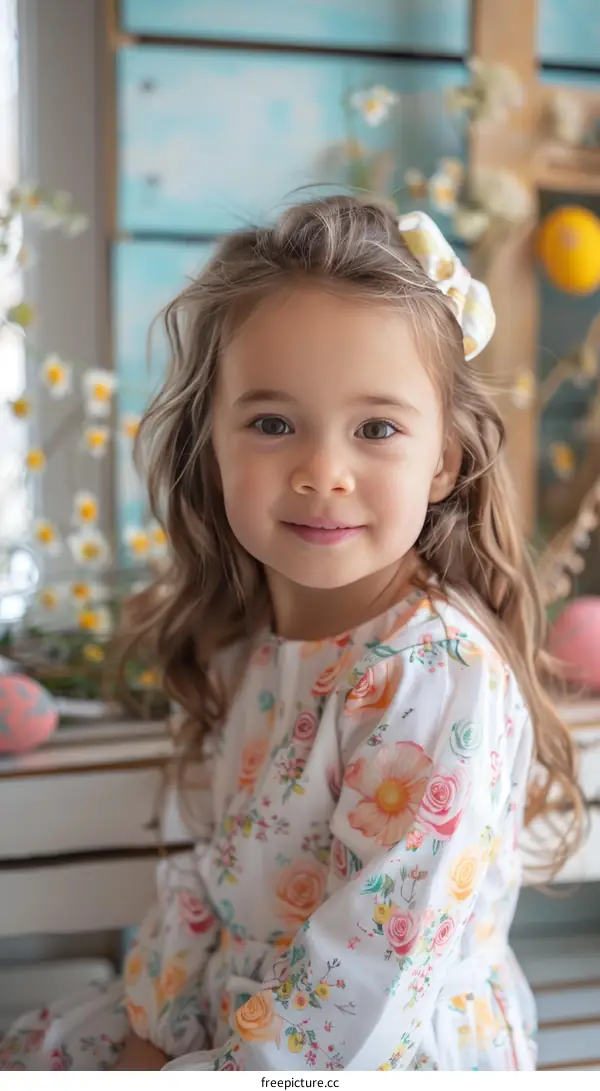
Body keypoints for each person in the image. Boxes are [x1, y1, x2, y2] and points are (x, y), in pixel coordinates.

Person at [0, 196, 582, 1072]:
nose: (322, 472)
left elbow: (367, 981)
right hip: (236, 1005)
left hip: (352, 1053)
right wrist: (150, 1026)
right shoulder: (249, 645)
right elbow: (212, 874)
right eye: (273, 423)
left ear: (444, 461)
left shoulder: (433, 676)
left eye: (376, 428)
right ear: (213, 442)